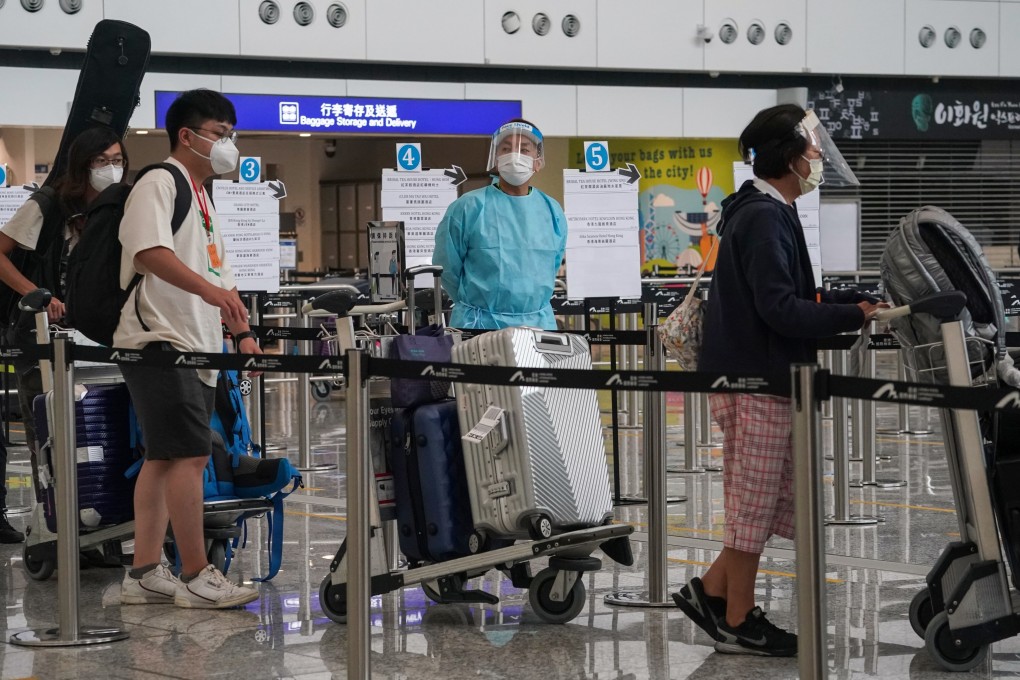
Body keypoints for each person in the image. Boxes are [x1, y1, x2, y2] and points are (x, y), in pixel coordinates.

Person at [672, 104, 886, 657]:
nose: (818, 158)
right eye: (812, 150)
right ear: (789, 159)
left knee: (761, 502)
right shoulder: (765, 216)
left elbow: (797, 295)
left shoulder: (767, 209)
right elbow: (780, 310)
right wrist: (850, 317)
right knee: (753, 504)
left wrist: (851, 304)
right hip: (757, 380)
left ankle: (712, 593)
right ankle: (738, 619)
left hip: (760, 375)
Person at [116, 89, 261, 608]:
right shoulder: (160, 181)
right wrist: (210, 292)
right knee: (192, 454)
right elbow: (148, 253)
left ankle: (143, 574)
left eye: (230, 135)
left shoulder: (203, 195)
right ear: (187, 135)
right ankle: (198, 575)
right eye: (221, 134)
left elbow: (218, 274)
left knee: (163, 457)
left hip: (196, 344)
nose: (229, 145)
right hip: (160, 339)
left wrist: (240, 331)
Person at [0, 125, 130, 544]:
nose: (112, 168)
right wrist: (35, 293)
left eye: (117, 160)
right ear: (81, 165)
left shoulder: (117, 206)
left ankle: (101, 519)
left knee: (102, 427)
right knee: (52, 430)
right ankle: (55, 521)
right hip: (41, 334)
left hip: (97, 337)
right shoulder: (48, 204)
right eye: (101, 161)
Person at [433, 119, 566, 330]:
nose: (514, 156)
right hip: (478, 324)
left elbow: (552, 263)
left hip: (538, 325)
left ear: (538, 161)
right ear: (496, 158)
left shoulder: (552, 211)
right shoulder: (468, 207)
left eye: (524, 149)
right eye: (506, 148)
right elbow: (447, 267)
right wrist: (476, 304)